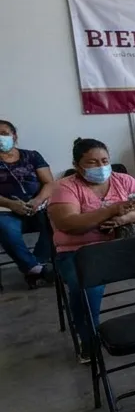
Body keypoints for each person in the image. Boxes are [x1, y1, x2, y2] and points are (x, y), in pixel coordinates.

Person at [49, 138, 135, 351]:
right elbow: (68, 224)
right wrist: (110, 211)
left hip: (123, 245)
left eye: (104, 160)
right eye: (92, 162)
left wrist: (125, 218)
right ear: (77, 165)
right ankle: (89, 342)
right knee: (86, 288)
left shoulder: (123, 180)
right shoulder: (65, 187)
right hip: (81, 252)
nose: (101, 166)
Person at [0, 119, 54, 287]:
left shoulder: (32, 155)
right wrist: (11, 204)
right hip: (5, 209)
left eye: (4, 134)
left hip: (36, 205)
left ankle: (35, 266)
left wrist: (37, 201)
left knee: (56, 221)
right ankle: (36, 269)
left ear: (14, 136)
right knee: (6, 229)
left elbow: (49, 183)